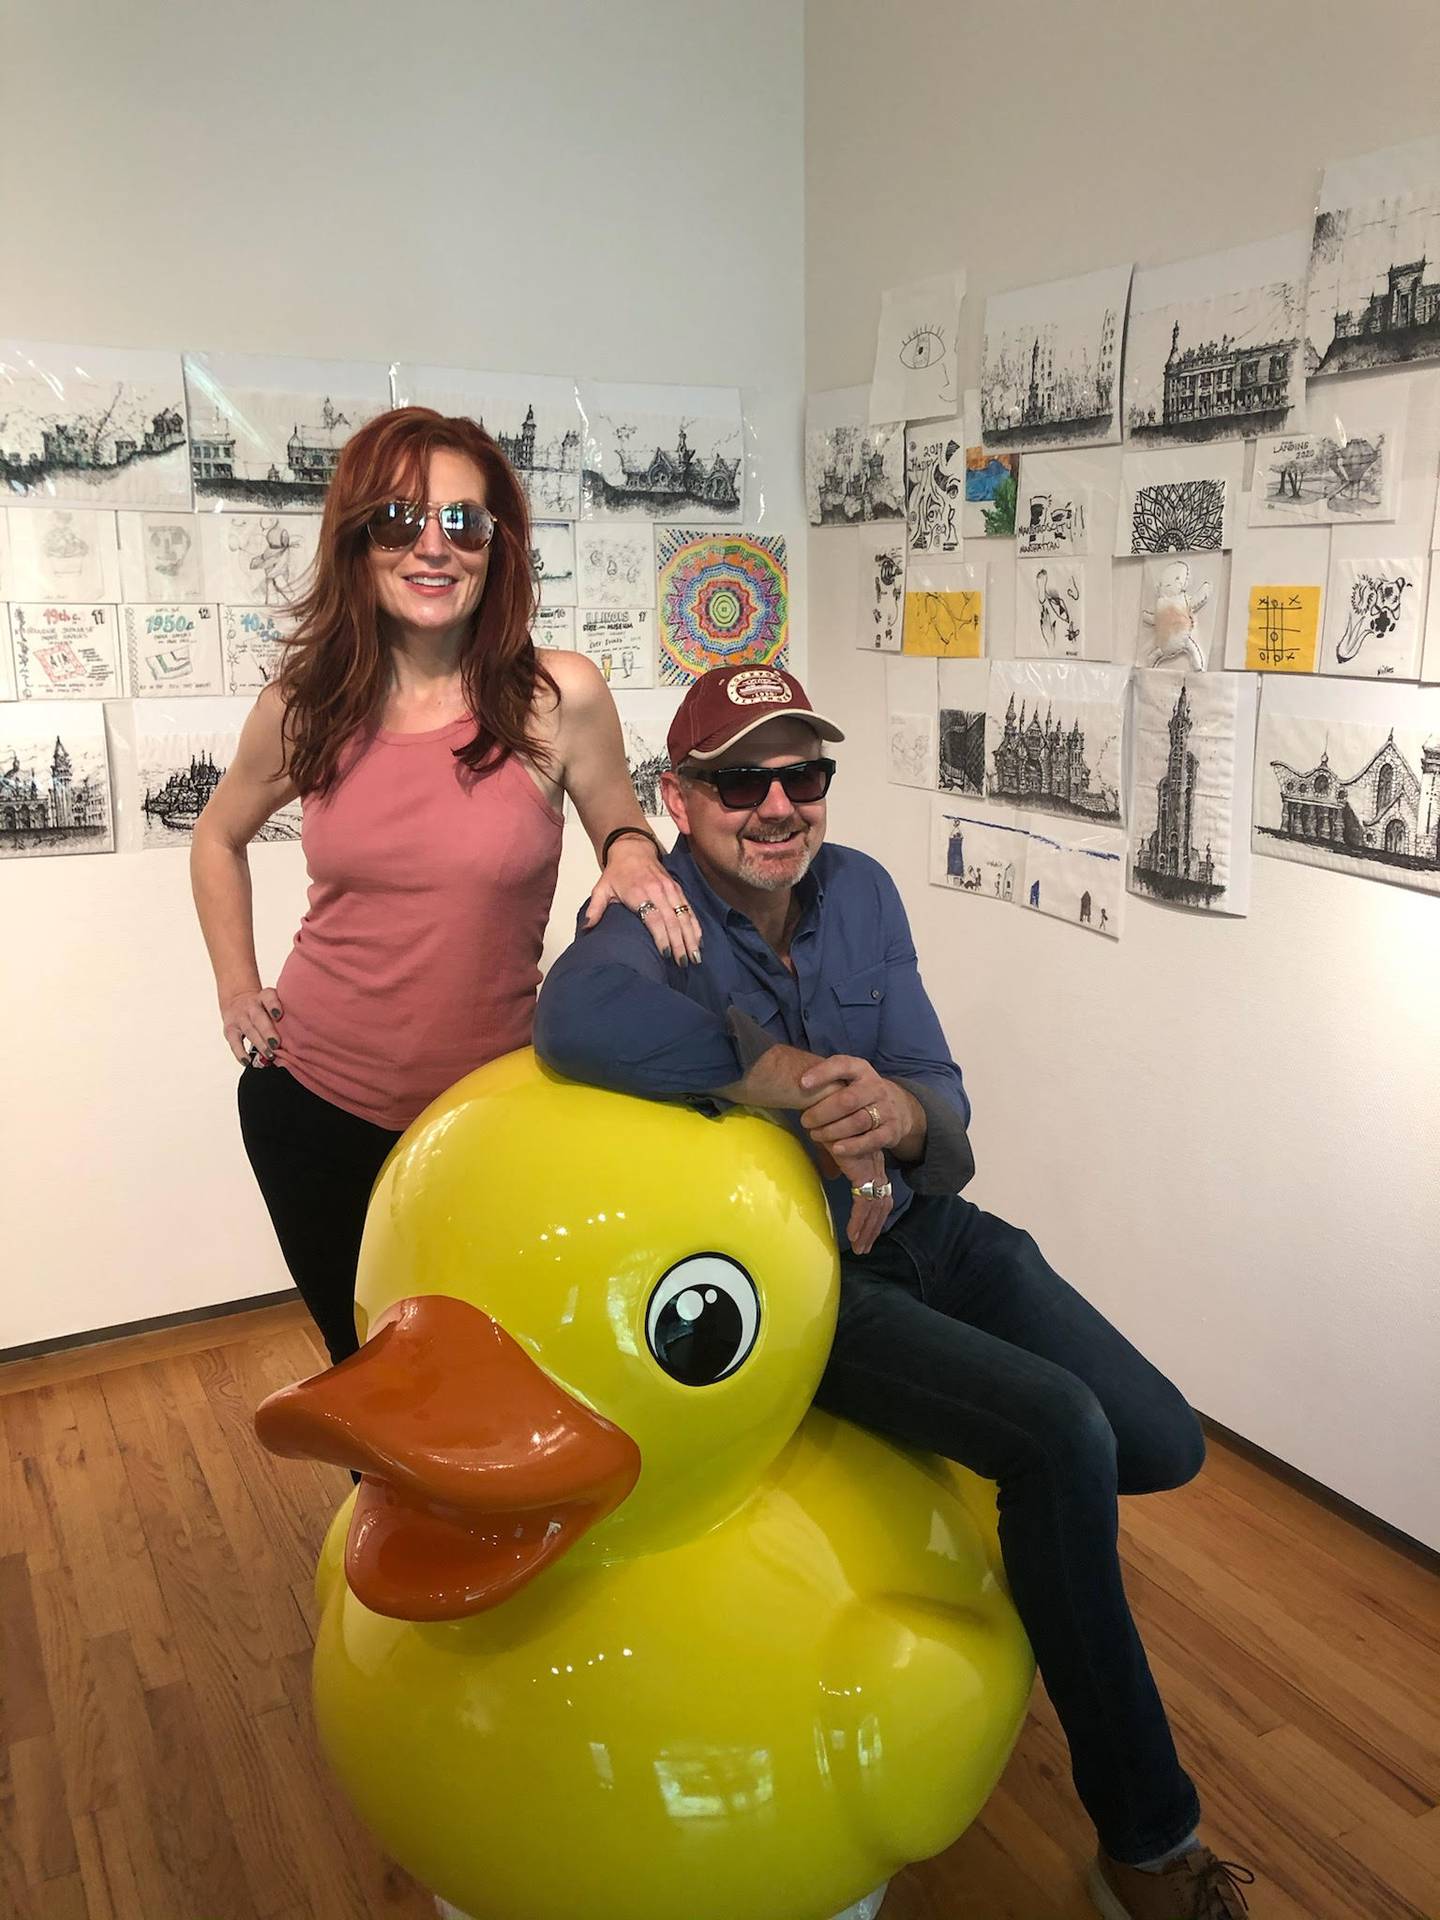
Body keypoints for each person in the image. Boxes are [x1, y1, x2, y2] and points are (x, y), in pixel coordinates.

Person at [534, 664, 1257, 1920]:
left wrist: (904, 1112)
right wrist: (793, 1078)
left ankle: (1039, 1549)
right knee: (1060, 1433)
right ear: (678, 797)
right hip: (814, 1281)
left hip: (934, 1231)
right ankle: (1148, 1841)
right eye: (739, 780)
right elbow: (571, 1026)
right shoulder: (650, 923)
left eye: (802, 775)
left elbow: (940, 1085)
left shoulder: (859, 890)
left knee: (1162, 1442)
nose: (777, 805)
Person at [191, 406, 698, 1367]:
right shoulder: (305, 708)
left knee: (502, 1371)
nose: (434, 547)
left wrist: (631, 847)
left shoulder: (559, 697)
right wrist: (234, 985)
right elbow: (217, 836)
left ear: (498, 546)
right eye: (399, 520)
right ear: (357, 541)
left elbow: (619, 825)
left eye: (464, 523)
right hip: (314, 1102)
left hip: (491, 1115)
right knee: (367, 1375)